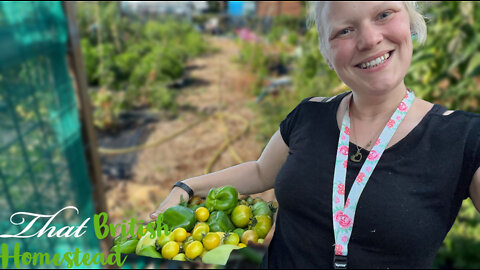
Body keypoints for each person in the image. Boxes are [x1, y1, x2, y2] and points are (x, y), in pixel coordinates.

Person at [151, 1, 480, 268]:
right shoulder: (309, 115)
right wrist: (187, 186)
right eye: (345, 30)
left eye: (383, 14)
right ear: (327, 53)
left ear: (410, 20)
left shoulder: (464, 138)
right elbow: (261, 171)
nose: (368, 40)